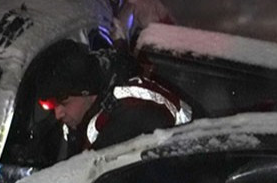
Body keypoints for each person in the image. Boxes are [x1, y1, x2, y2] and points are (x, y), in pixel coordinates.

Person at [32, 39, 191, 153]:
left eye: (64, 102)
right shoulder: (89, 108)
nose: (58, 114)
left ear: (88, 92)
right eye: (53, 105)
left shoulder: (131, 115)